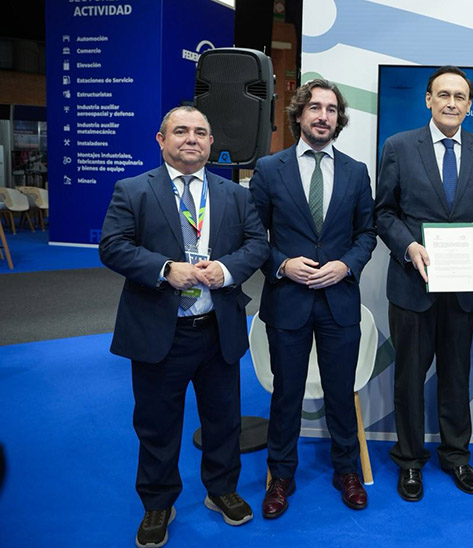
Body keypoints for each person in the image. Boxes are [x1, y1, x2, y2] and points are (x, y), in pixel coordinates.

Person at [99, 106, 269, 547]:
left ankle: (222, 490)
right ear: (161, 140)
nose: (191, 139)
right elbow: (112, 246)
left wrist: (228, 270)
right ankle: (158, 503)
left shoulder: (235, 195)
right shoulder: (133, 189)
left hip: (217, 328)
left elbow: (256, 245)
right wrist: (164, 269)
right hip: (160, 331)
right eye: (180, 131)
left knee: (224, 420)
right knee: (157, 424)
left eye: (200, 132)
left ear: (211, 142)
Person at [375, 65, 473, 501]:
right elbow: (384, 213)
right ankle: (410, 461)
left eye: (460, 96)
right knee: (409, 378)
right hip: (414, 284)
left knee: (456, 374)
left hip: (464, 287)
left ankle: (456, 456)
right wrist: (409, 247)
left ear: (470, 104)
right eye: (443, 95)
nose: (452, 103)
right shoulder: (398, 146)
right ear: (428, 100)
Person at [250, 79, 376, 516]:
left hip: (340, 300)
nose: (324, 116)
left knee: (341, 392)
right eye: (315, 108)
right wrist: (282, 264)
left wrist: (348, 265)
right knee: (286, 393)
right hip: (288, 300)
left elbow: (366, 234)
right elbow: (254, 236)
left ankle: (347, 471)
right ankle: (280, 476)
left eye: (332, 109)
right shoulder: (269, 169)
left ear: (339, 119)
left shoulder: (357, 172)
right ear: (299, 114)